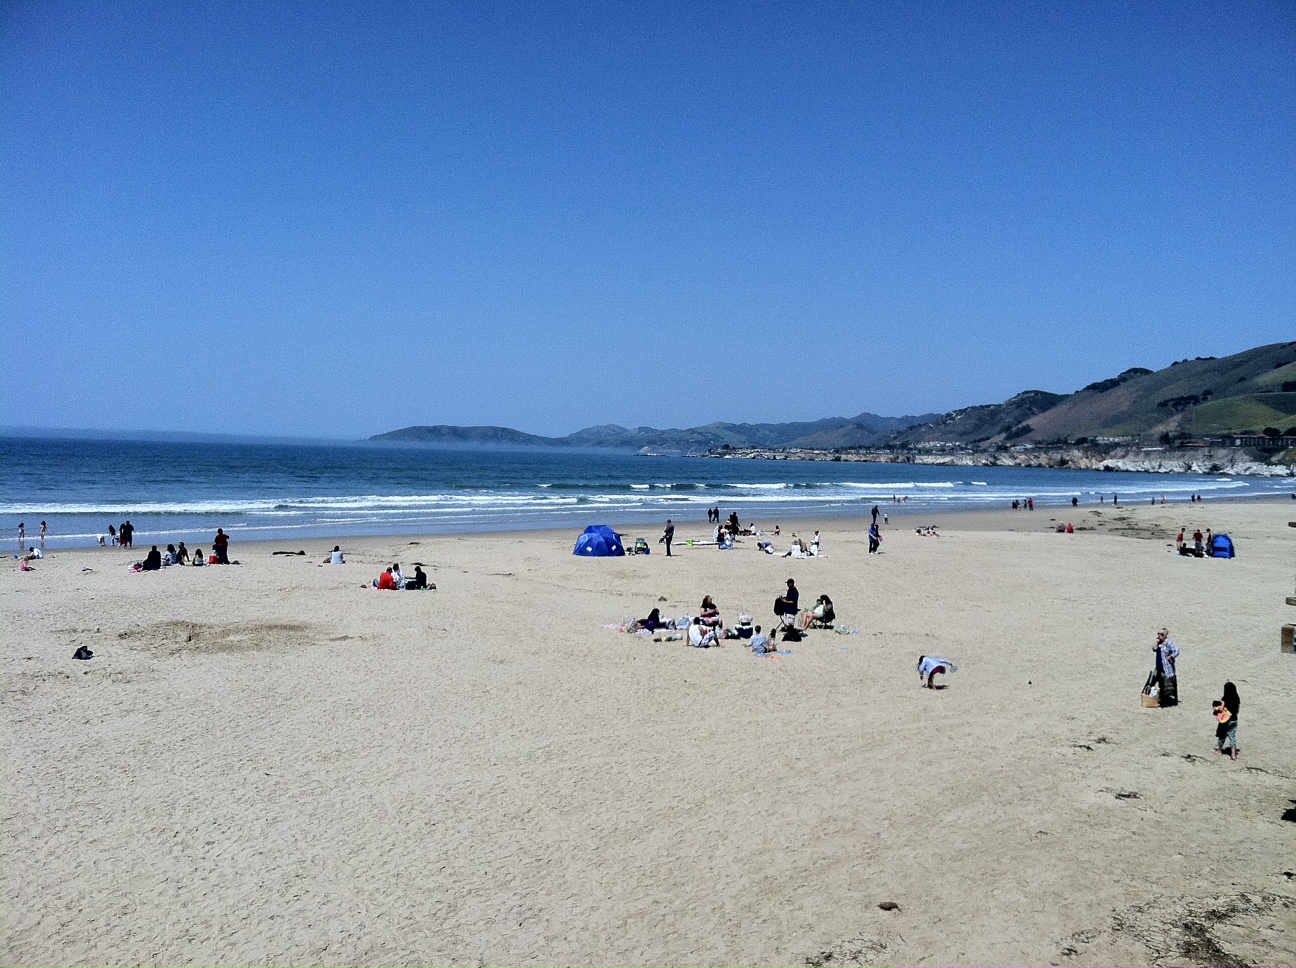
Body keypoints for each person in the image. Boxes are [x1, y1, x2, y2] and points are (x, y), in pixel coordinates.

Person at [1213, 682, 1240, 761]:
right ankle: (1233, 754)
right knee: (1232, 736)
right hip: (1234, 719)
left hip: (1226, 720)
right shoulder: (1236, 698)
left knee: (1222, 735)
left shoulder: (1225, 699)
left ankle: (1220, 750)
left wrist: (1216, 708)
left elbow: (1221, 709)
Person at [1154, 628, 1180, 707]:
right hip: (1159, 667)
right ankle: (1161, 699)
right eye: (1158, 634)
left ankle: (1168, 700)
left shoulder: (1169, 643)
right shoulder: (1159, 643)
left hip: (1167, 667)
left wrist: (1171, 656)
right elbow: (1154, 649)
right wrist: (1157, 643)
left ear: (1165, 636)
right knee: (1160, 683)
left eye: (1162, 635)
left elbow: (1177, 650)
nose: (1159, 636)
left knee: (1168, 683)